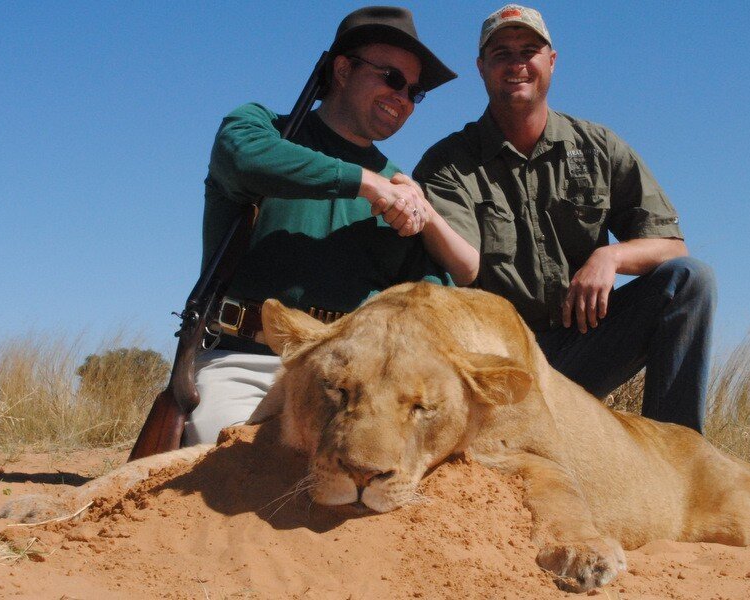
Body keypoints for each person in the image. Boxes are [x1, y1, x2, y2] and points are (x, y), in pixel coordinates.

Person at [413, 4, 716, 433]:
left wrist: (609, 258)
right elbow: (462, 268)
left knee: (690, 279)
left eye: (529, 50)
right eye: (501, 53)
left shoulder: (599, 146)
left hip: (583, 349)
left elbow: (672, 246)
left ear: (551, 61)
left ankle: (679, 453)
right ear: (482, 68)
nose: (517, 64)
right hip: (498, 361)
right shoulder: (447, 164)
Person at [184, 6, 458, 445]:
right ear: (344, 69)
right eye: (391, 77)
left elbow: (428, 289)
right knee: (224, 457)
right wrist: (366, 184)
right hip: (244, 359)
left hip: (348, 375)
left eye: (415, 91)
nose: (403, 97)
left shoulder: (402, 190)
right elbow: (242, 158)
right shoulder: (261, 129)